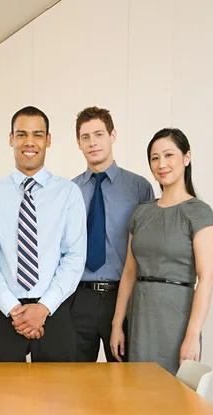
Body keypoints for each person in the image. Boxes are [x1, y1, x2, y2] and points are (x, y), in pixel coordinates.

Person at [0, 106, 86, 361]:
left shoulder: (68, 193)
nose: (29, 142)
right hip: (5, 312)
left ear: (48, 140)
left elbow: (74, 257)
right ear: (11, 139)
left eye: (37, 134)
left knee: (58, 396)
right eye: (21, 134)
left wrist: (43, 307)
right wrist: (15, 309)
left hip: (54, 311)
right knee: (0, 396)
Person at [110, 128, 213, 374]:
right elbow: (129, 272)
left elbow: (207, 279)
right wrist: (118, 323)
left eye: (169, 155)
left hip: (176, 316)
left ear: (186, 158)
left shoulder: (200, 212)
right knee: (138, 393)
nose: (162, 164)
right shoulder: (142, 212)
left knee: (173, 397)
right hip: (140, 316)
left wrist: (192, 335)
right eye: (155, 158)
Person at [71, 106, 155, 362]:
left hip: (123, 297)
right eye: (85, 137)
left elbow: (146, 249)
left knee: (125, 382)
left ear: (113, 135)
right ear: (78, 143)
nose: (92, 143)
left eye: (99, 134)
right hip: (78, 298)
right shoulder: (69, 190)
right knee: (73, 382)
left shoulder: (139, 188)